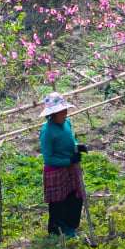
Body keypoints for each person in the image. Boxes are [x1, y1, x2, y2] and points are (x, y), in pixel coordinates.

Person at [38, 92, 87, 238]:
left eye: (65, 110)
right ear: (52, 114)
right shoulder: (47, 132)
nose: (65, 113)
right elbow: (48, 158)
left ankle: (71, 226)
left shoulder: (67, 123)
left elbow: (70, 141)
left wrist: (78, 147)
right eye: (61, 112)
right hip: (56, 170)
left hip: (71, 167)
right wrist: (67, 161)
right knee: (59, 202)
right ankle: (57, 229)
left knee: (75, 197)